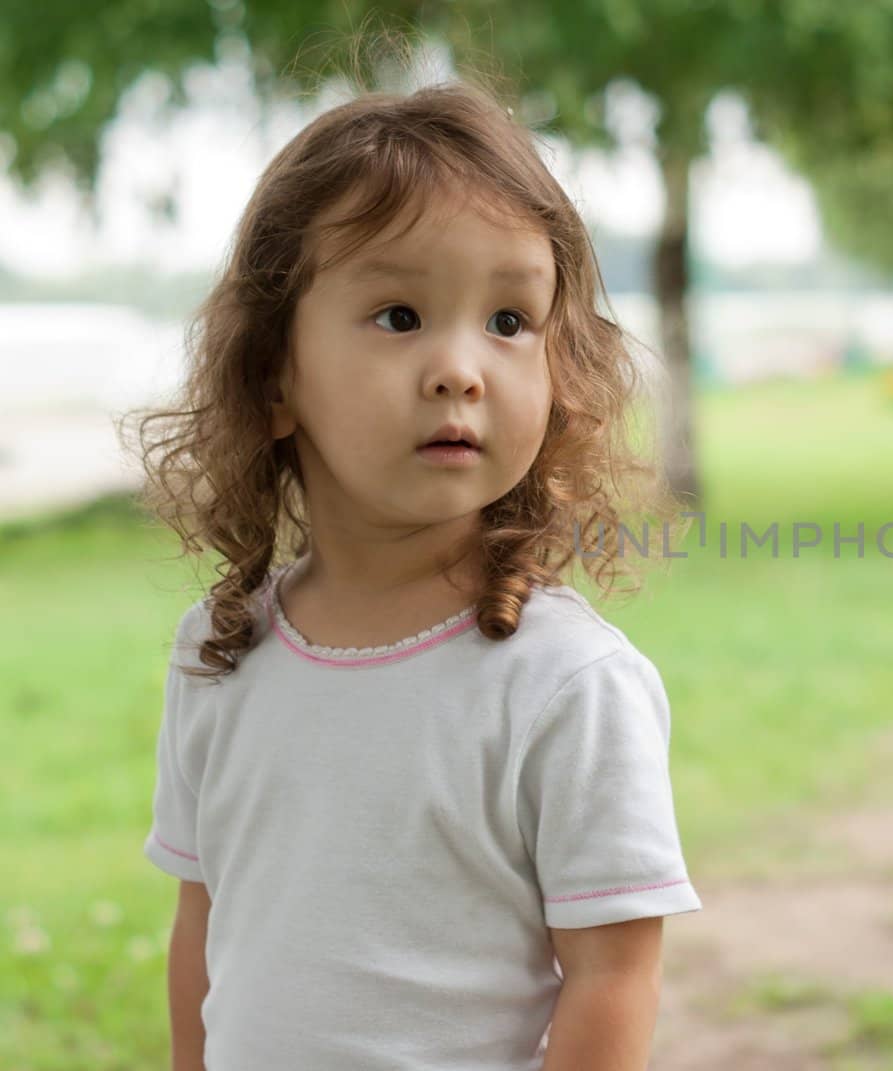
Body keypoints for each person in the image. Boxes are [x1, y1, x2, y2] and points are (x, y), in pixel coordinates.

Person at [125, 73, 702, 1071]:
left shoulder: (563, 685)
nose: (460, 368)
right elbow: (203, 928)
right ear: (272, 379)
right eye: (399, 315)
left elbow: (615, 978)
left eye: (510, 322)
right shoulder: (222, 650)